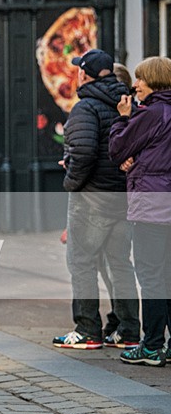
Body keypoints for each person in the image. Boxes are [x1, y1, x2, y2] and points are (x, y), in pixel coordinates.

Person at [51, 49, 140, 350]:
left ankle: (87, 329)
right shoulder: (128, 103)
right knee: (120, 264)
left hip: (92, 198)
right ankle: (129, 331)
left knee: (82, 262)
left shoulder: (85, 108)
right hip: (123, 196)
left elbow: (83, 152)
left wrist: (71, 181)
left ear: (83, 74)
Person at [110, 56, 171, 366]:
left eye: (140, 79)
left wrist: (123, 118)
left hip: (152, 206)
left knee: (151, 276)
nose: (134, 85)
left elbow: (118, 147)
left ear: (155, 82)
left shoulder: (151, 113)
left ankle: (151, 346)